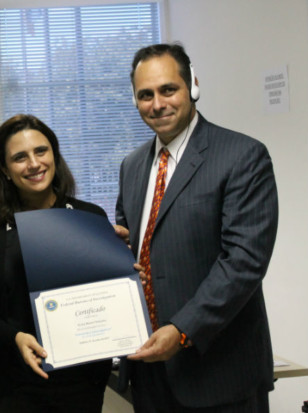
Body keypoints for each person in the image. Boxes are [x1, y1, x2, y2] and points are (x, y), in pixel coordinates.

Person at [115, 43, 278, 412]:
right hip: (149, 371)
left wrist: (182, 329)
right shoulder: (132, 166)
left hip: (218, 372)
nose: (157, 104)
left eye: (168, 89)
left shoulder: (242, 156)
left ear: (193, 86)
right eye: (145, 95)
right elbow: (136, 248)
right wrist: (114, 250)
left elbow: (244, 262)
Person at [0, 114, 112, 413]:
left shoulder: (90, 218)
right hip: (10, 384)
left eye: (41, 151)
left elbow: (106, 295)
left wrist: (127, 278)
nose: (34, 163)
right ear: (4, 169)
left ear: (54, 155)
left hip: (80, 383)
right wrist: (15, 337)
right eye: (20, 157)